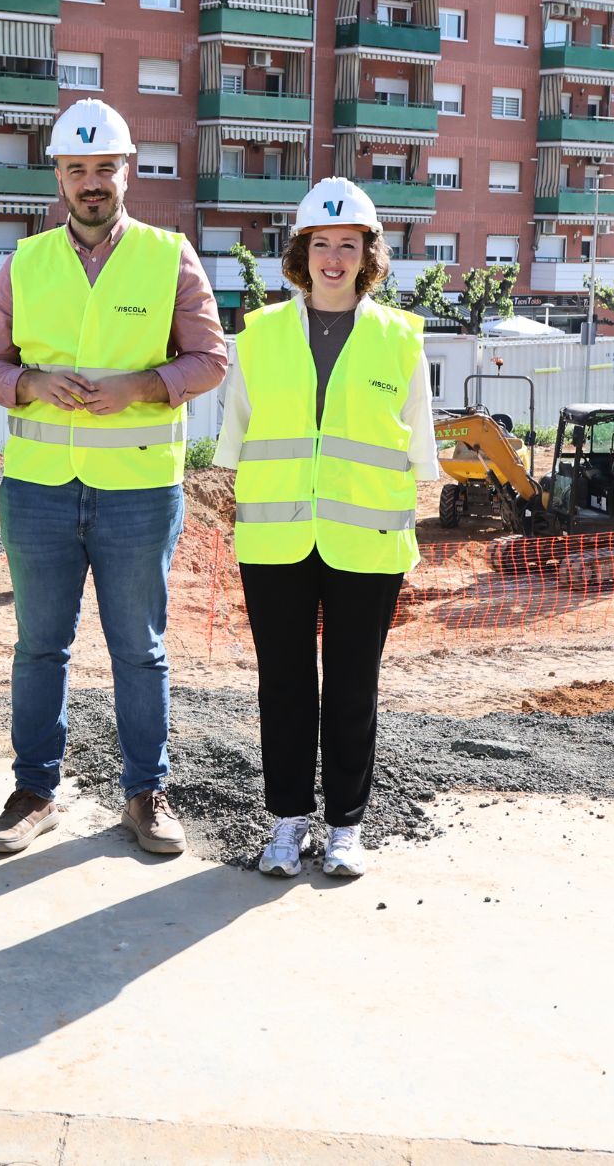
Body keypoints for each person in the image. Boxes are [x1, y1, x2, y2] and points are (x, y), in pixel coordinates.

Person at [0, 99, 228, 856]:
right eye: (77, 168)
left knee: (139, 650)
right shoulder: (25, 262)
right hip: (39, 490)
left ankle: (146, 793)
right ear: (57, 176)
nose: (91, 182)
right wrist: (29, 383)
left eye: (104, 168)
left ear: (128, 172)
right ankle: (34, 793)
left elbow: (211, 359)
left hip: (139, 493)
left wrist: (141, 386)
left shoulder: (169, 255)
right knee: (39, 648)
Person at [213, 178, 441, 879]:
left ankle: (345, 826)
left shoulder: (400, 341)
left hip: (366, 544)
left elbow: (419, 452)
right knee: (283, 686)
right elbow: (234, 443)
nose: (334, 259)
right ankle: (286, 821)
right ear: (301, 253)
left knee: (351, 689)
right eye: (321, 244)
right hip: (275, 540)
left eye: (348, 244)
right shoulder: (259, 337)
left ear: (369, 254)